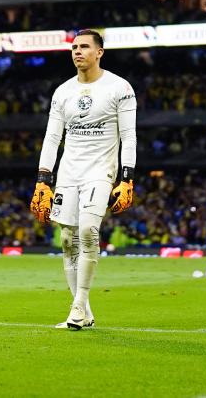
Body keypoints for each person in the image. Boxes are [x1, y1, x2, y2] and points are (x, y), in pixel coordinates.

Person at [29, 29, 137, 330]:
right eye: (74, 47)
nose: (77, 51)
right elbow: (52, 138)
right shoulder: (63, 91)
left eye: (85, 47)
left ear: (99, 52)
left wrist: (127, 178)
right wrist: (42, 180)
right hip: (68, 172)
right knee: (67, 239)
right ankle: (83, 312)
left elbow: (129, 136)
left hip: (101, 170)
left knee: (89, 231)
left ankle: (78, 304)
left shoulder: (120, 88)